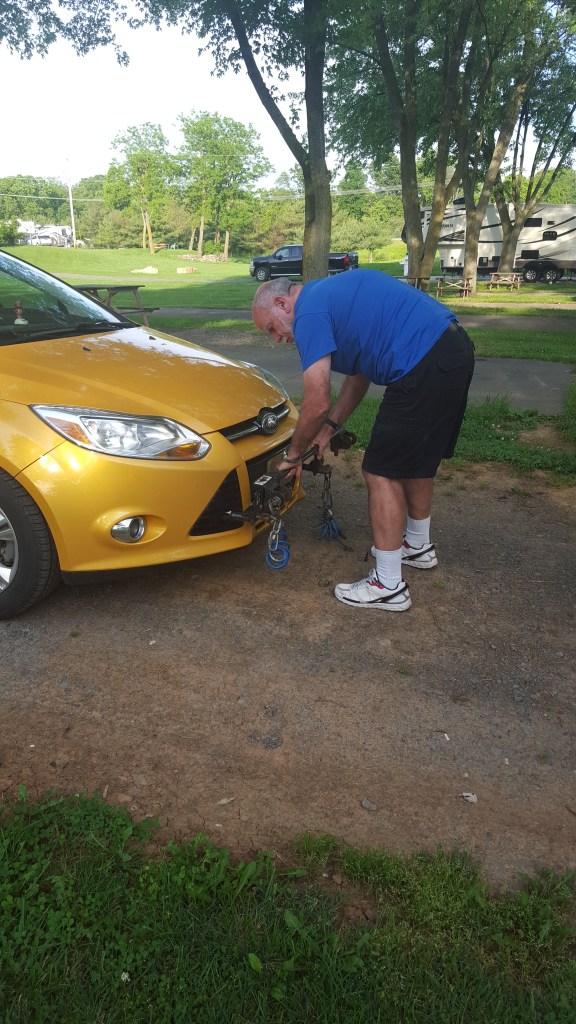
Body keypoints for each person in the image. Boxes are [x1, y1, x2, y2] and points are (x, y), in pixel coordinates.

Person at [252, 270, 475, 612]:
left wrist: (292, 456)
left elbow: (316, 401)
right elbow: (359, 376)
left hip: (422, 360)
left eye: (271, 328)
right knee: (414, 460)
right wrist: (327, 430)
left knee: (380, 472)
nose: (277, 339)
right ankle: (417, 546)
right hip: (452, 349)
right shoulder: (329, 297)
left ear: (282, 303)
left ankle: (387, 585)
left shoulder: (308, 312)